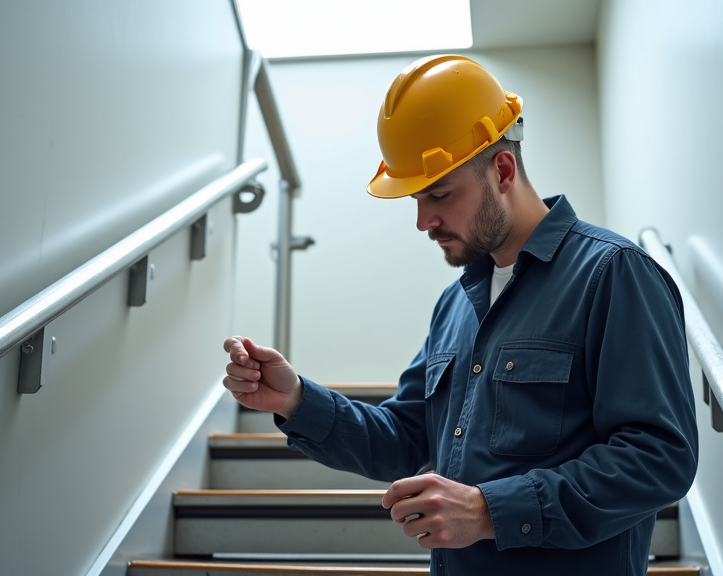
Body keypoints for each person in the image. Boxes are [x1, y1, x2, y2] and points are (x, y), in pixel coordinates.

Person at [223, 54, 698, 576]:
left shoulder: (614, 273)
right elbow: (405, 438)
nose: (423, 220)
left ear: (502, 170)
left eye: (440, 194)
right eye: (416, 198)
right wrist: (295, 399)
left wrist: (490, 511)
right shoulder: (455, 305)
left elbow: (659, 457)